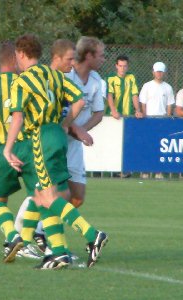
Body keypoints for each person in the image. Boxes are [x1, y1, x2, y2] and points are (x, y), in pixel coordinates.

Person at [4, 34, 108, 269]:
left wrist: (8, 149)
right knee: (43, 196)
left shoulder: (22, 80)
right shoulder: (53, 75)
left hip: (41, 136)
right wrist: (65, 125)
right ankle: (58, 252)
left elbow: (18, 116)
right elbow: (79, 98)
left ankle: (92, 235)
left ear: (20, 54)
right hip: (58, 136)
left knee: (48, 196)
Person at [0, 42, 42, 262]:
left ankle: (12, 235)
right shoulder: (29, 82)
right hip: (31, 147)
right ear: (15, 59)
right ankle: (32, 240)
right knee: (40, 196)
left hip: (4, 148)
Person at [64, 36, 105, 208]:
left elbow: (99, 113)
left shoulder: (96, 80)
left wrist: (81, 130)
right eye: (101, 55)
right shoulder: (66, 76)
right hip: (57, 140)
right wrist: (74, 129)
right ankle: (35, 229)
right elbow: (57, 112)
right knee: (54, 193)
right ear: (89, 56)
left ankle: (40, 228)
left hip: (74, 145)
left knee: (77, 198)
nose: (104, 59)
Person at [139, 62, 175, 179]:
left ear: (164, 73)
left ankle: (158, 171)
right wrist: (145, 117)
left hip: (162, 120)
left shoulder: (168, 87)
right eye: (157, 71)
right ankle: (145, 171)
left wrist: (167, 118)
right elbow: (143, 103)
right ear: (153, 72)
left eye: (161, 71)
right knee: (147, 145)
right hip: (149, 120)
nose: (159, 73)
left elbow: (170, 105)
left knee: (160, 146)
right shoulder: (147, 86)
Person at [106, 55, 143, 119]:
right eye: (120, 66)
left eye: (124, 66)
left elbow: (135, 95)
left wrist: (137, 110)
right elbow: (109, 95)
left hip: (128, 114)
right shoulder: (110, 78)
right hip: (112, 115)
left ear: (127, 67)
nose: (122, 69)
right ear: (116, 66)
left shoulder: (131, 77)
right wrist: (113, 111)